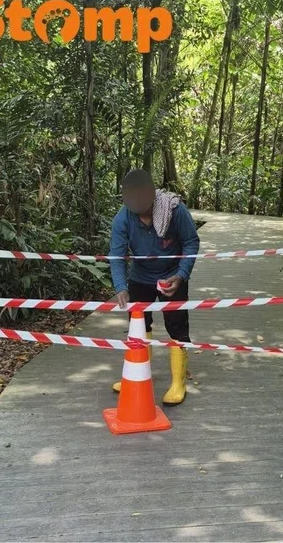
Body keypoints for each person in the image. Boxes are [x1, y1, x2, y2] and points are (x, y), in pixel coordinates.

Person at [109, 169, 200, 405]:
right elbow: (117, 255)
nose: (144, 218)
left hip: (172, 276)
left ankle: (178, 383)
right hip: (140, 277)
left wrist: (180, 275)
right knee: (138, 325)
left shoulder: (175, 210)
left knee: (177, 326)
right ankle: (139, 375)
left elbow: (191, 242)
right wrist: (120, 286)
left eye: (147, 212)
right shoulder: (123, 218)